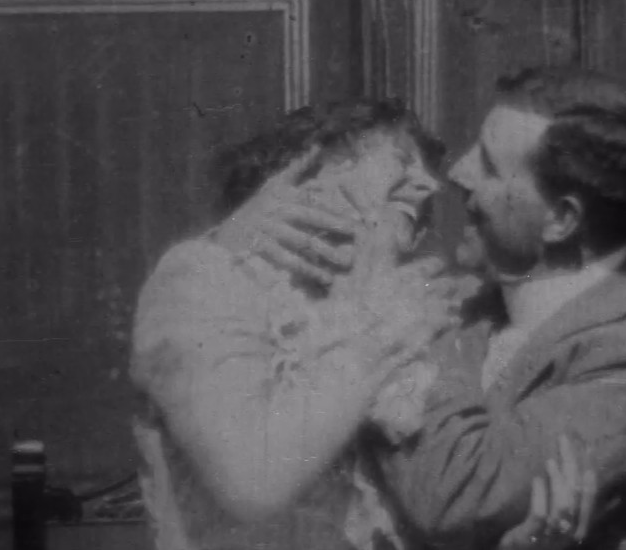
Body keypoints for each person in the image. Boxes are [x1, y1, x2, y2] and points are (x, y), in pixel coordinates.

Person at [129, 99, 595, 550]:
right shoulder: (201, 276)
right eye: (400, 161)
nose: (430, 188)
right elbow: (253, 479)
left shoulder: (411, 307)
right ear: (309, 173)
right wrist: (381, 335)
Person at [358, 68, 626, 550]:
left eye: (489, 166)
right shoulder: (466, 308)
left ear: (561, 219)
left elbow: (455, 493)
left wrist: (398, 318)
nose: (458, 172)